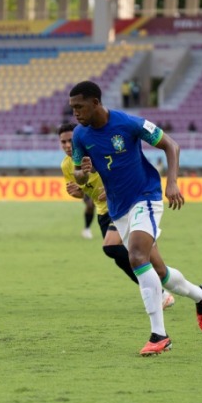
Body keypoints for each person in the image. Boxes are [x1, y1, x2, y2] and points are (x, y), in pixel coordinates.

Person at [68, 81, 202, 356]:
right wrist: (83, 174)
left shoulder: (129, 124)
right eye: (72, 107)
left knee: (136, 257)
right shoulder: (79, 135)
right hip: (118, 208)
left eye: (80, 106)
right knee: (161, 273)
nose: (75, 113)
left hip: (146, 196)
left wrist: (172, 183)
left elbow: (171, 145)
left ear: (96, 103)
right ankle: (201, 295)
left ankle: (160, 336)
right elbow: (78, 174)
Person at [58, 122, 175, 309]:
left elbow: (123, 172)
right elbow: (84, 192)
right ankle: (162, 293)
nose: (67, 146)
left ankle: (158, 291)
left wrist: (112, 188)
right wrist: (77, 192)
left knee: (111, 247)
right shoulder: (67, 166)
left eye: (70, 140)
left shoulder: (96, 154)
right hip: (104, 213)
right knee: (155, 265)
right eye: (62, 142)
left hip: (125, 205)